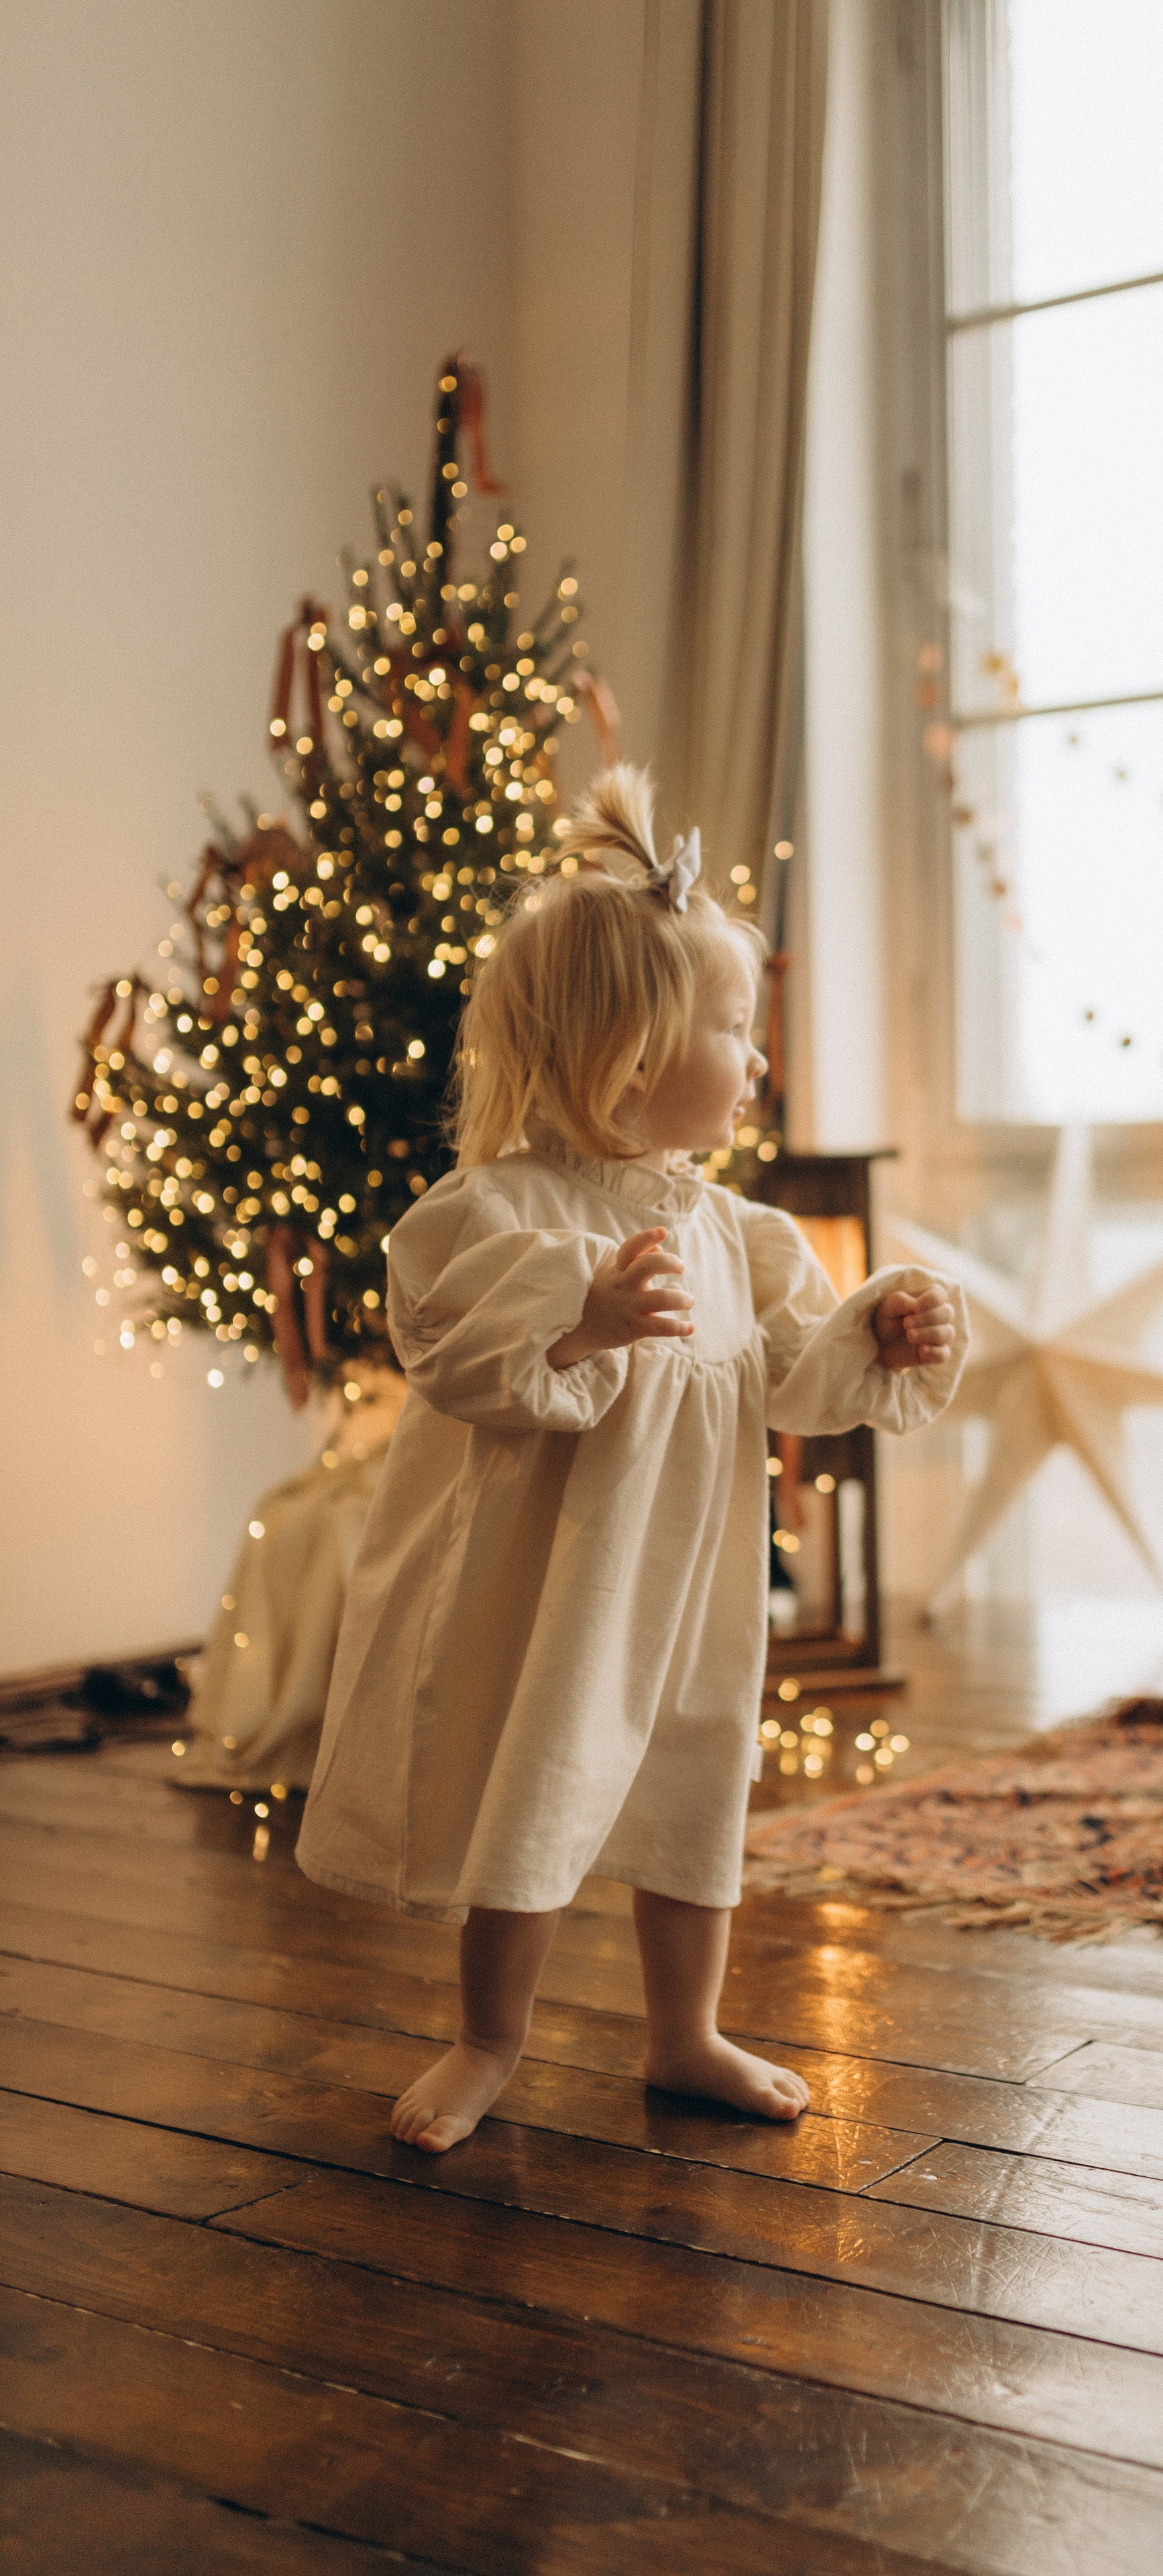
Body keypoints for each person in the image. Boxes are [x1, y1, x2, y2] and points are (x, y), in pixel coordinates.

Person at [296, 766, 966, 2147]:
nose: (756, 1055)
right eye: (733, 1026)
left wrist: (877, 1330)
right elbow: (456, 1358)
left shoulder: (735, 1234)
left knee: (697, 1777)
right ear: (630, 1055)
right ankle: (489, 2036)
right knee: (529, 1786)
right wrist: (576, 1317)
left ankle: (684, 2033)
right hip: (557, 1590)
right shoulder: (494, 1214)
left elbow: (794, 1370)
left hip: (693, 1584)